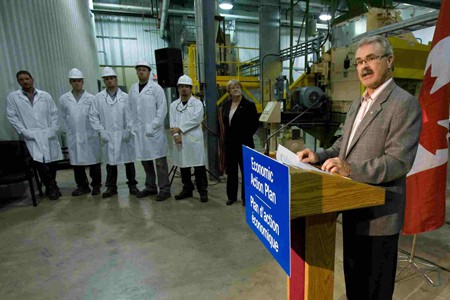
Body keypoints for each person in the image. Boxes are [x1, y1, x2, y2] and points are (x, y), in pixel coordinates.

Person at [297, 35, 422, 300]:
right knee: (354, 285)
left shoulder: (404, 104)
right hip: (351, 210)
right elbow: (344, 146)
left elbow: (399, 161)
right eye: (359, 62)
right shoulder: (358, 103)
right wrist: (317, 156)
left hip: (379, 218)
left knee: (375, 291)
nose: (364, 67)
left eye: (371, 59)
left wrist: (350, 169)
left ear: (389, 61)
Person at [6, 70, 63, 200]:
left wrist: (53, 129)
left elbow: (54, 113)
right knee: (40, 163)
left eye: (27, 78)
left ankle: (50, 186)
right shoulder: (13, 97)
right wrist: (23, 131)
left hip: (48, 133)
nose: (25, 81)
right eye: (21, 79)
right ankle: (53, 187)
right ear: (18, 82)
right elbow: (12, 116)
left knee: (51, 162)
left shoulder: (45, 96)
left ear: (32, 79)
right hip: (31, 135)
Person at [89, 67, 139, 198]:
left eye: (111, 78)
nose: (109, 81)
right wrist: (101, 131)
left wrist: (129, 130)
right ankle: (111, 187)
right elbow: (93, 116)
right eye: (106, 79)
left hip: (124, 134)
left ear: (116, 80)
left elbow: (132, 115)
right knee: (110, 162)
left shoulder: (126, 97)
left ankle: (132, 185)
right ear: (104, 81)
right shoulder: (98, 98)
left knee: (129, 161)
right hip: (108, 135)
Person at [129, 59, 171, 201]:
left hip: (155, 131)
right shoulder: (133, 88)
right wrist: (132, 126)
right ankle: (150, 187)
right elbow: (130, 109)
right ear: (136, 72)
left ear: (149, 72)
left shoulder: (156, 88)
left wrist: (153, 125)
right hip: (140, 132)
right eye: (139, 69)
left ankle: (165, 189)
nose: (141, 72)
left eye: (144, 69)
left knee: (160, 162)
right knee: (145, 160)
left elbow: (162, 109)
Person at [60, 68, 102, 196]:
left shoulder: (92, 98)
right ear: (70, 82)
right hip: (74, 135)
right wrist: (68, 132)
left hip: (89, 134)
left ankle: (96, 185)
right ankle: (82, 186)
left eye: (79, 80)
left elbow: (96, 116)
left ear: (82, 82)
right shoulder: (64, 99)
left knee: (94, 161)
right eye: (74, 81)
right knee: (77, 163)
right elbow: (63, 117)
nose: (76, 83)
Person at [220, 79, 259, 206]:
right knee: (231, 171)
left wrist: (244, 136)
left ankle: (246, 198)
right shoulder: (226, 105)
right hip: (230, 144)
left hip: (244, 144)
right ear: (229, 92)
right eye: (233, 88)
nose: (236, 89)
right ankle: (231, 196)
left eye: (238, 87)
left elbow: (254, 124)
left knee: (246, 172)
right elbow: (225, 124)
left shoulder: (249, 105)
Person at [169, 75, 208, 202]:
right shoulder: (174, 105)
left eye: (186, 86)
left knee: (198, 167)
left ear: (191, 89)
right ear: (178, 88)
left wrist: (179, 129)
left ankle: (202, 191)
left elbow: (196, 120)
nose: (184, 89)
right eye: (181, 86)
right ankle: (187, 189)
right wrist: (175, 135)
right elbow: (172, 121)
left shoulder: (197, 104)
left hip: (194, 140)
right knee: (183, 166)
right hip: (180, 140)